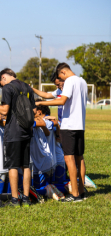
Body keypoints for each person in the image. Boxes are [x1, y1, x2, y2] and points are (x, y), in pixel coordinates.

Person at [0, 68, 36, 207]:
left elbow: (4, 110)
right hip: (26, 131)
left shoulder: (8, 87)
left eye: (1, 83)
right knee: (26, 165)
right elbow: (33, 110)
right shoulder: (27, 87)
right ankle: (26, 198)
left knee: (13, 166)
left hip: (14, 132)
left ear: (3, 77)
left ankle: (15, 199)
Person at [36, 62, 88, 202]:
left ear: (63, 73)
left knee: (69, 158)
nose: (62, 81)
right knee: (79, 158)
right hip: (80, 126)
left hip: (69, 126)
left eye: (61, 78)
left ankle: (75, 194)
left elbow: (62, 101)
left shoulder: (70, 80)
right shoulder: (82, 81)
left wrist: (41, 103)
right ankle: (81, 192)